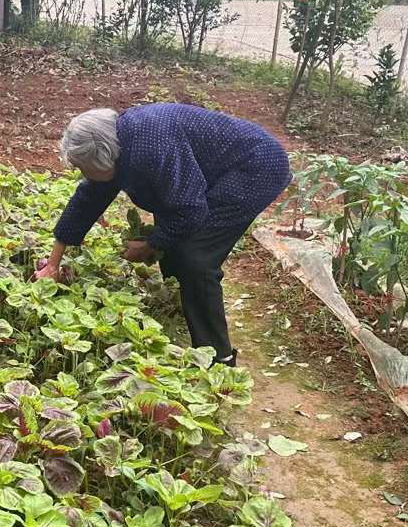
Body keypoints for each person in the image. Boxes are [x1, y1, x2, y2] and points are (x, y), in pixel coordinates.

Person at [34, 104, 291, 367]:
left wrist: (150, 245)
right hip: (221, 169)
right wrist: (53, 264)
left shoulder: (149, 148)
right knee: (174, 233)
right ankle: (179, 305)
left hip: (256, 167)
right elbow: (87, 200)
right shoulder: (117, 144)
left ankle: (217, 358)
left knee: (196, 258)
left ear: (102, 156)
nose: (83, 174)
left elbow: (190, 210)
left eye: (83, 167)